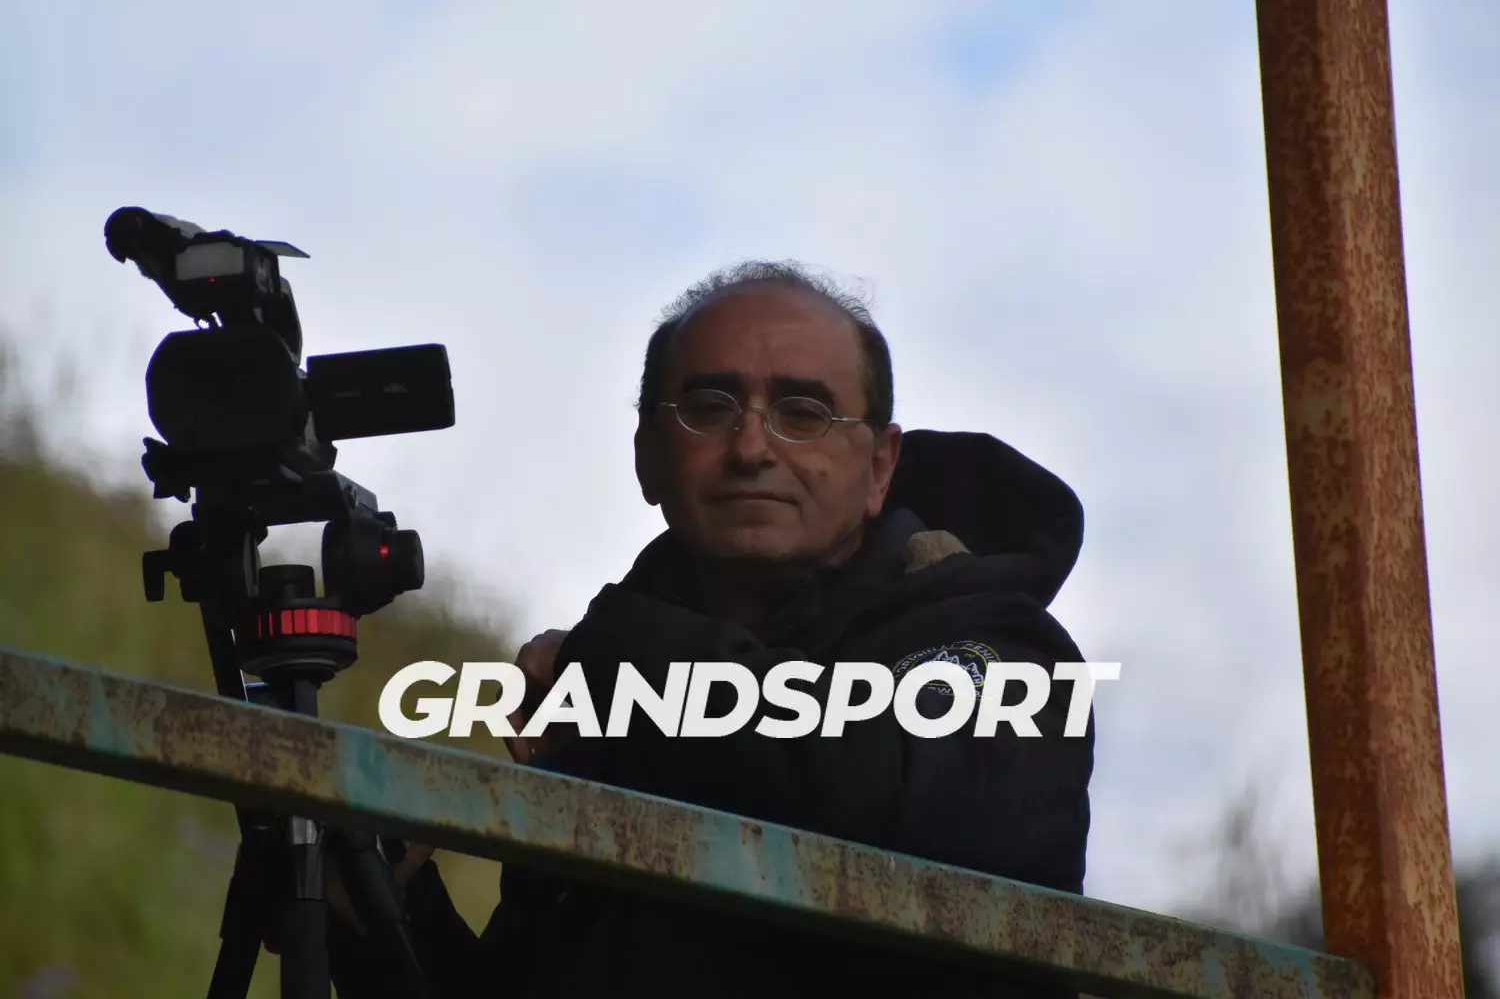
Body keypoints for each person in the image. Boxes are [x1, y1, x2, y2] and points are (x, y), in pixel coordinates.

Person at [328, 261, 1095, 998]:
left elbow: (897, 801)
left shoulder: (1004, 649)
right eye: (708, 407)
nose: (752, 448)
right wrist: (384, 912)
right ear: (647, 455)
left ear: (880, 467)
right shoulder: (614, 691)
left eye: (804, 413)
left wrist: (622, 659)